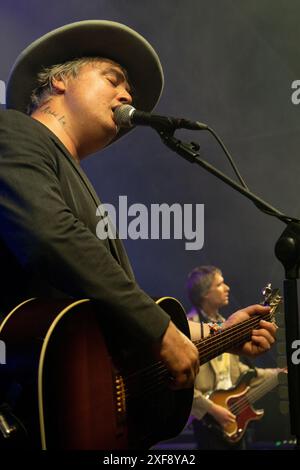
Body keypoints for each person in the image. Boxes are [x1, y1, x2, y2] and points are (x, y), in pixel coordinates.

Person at [0, 21, 276, 448]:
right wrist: (160, 332)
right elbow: (48, 236)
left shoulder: (78, 180)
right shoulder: (13, 131)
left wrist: (224, 335)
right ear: (59, 80)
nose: (128, 96)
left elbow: (112, 314)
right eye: (113, 79)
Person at [186, 265, 281, 450]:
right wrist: (212, 410)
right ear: (205, 293)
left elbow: (241, 374)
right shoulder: (186, 327)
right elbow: (183, 386)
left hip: (235, 417)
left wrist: (279, 372)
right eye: (220, 284)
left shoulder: (225, 324)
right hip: (208, 422)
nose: (227, 288)